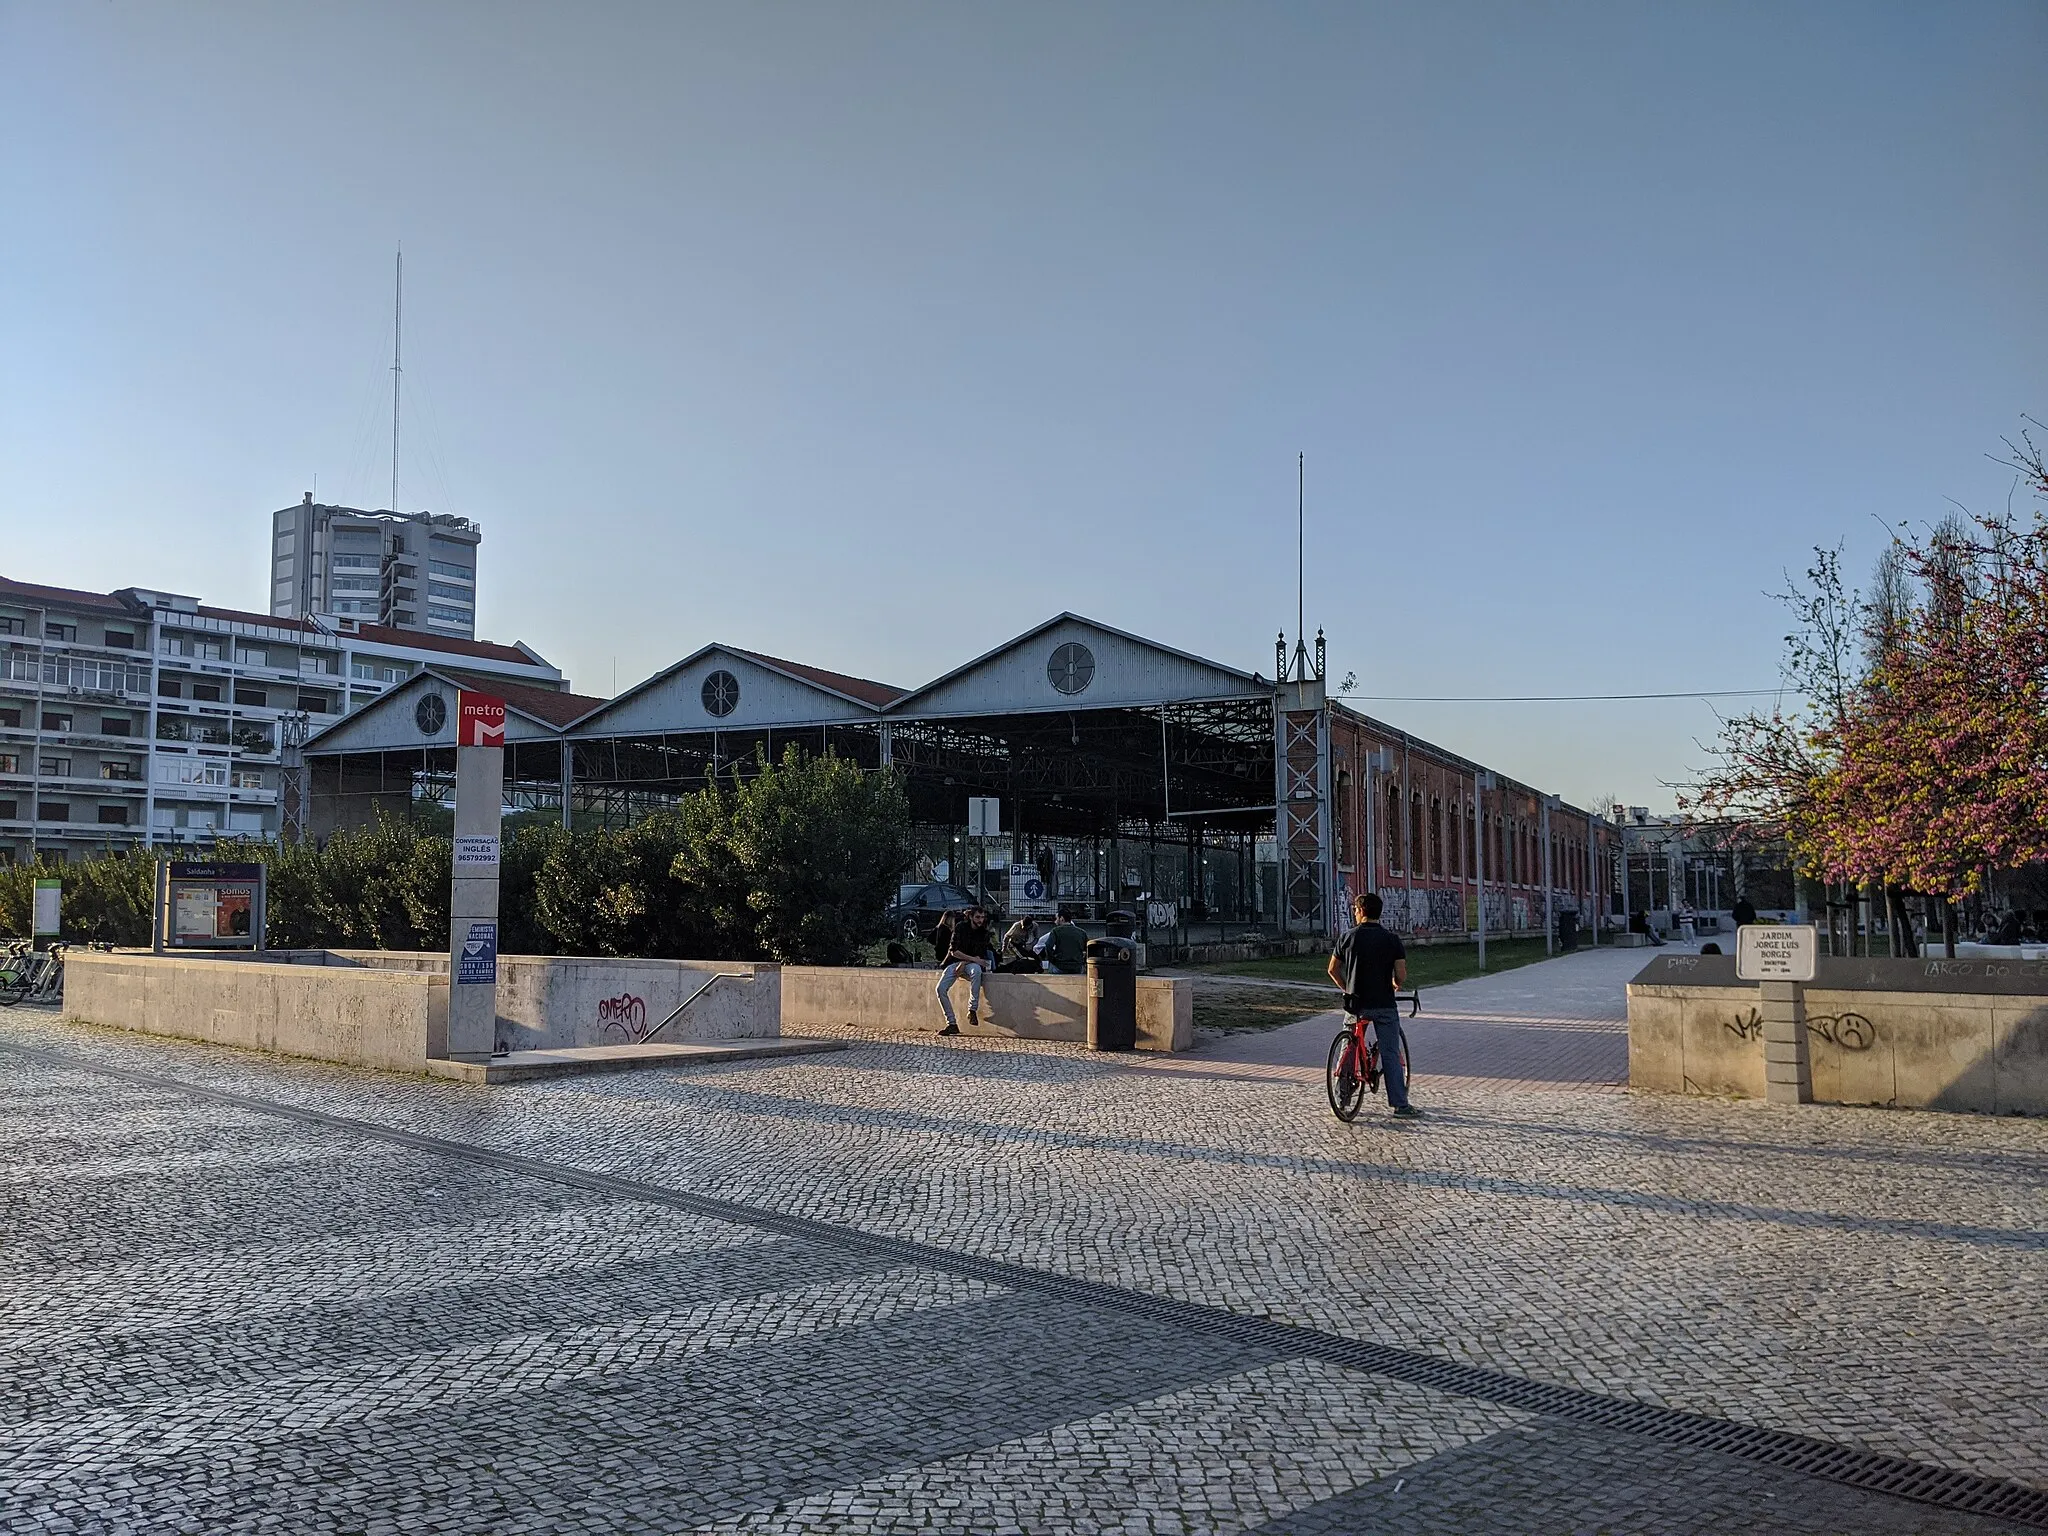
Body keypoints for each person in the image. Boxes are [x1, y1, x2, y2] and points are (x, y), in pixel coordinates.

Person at [1327, 891, 1418, 1119]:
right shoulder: (1392, 940)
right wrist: (1395, 983)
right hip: (1384, 1004)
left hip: (1355, 1005)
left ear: (1360, 911)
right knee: (1390, 1052)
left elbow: (1332, 969)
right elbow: (1400, 975)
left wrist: (1347, 987)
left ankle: (1341, 1099)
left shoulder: (1347, 937)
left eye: (1355, 910)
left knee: (1348, 1050)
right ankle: (1400, 1104)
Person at [936, 906, 992, 1035]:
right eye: (978, 917)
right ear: (971, 917)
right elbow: (954, 950)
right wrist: (965, 961)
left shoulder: (984, 932)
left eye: (982, 917)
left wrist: (965, 962)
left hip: (969, 964)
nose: (980, 920)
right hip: (954, 962)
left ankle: (972, 1009)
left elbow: (980, 956)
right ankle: (951, 1023)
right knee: (940, 989)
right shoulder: (961, 927)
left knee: (976, 971)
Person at [1040, 911, 1089, 975]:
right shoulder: (1082, 932)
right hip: (1077, 966)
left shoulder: (1055, 931)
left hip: (1060, 965)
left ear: (1061, 918)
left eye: (1056, 918)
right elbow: (1088, 948)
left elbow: (1048, 946)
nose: (1055, 921)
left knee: (1051, 968)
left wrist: (1052, 960)